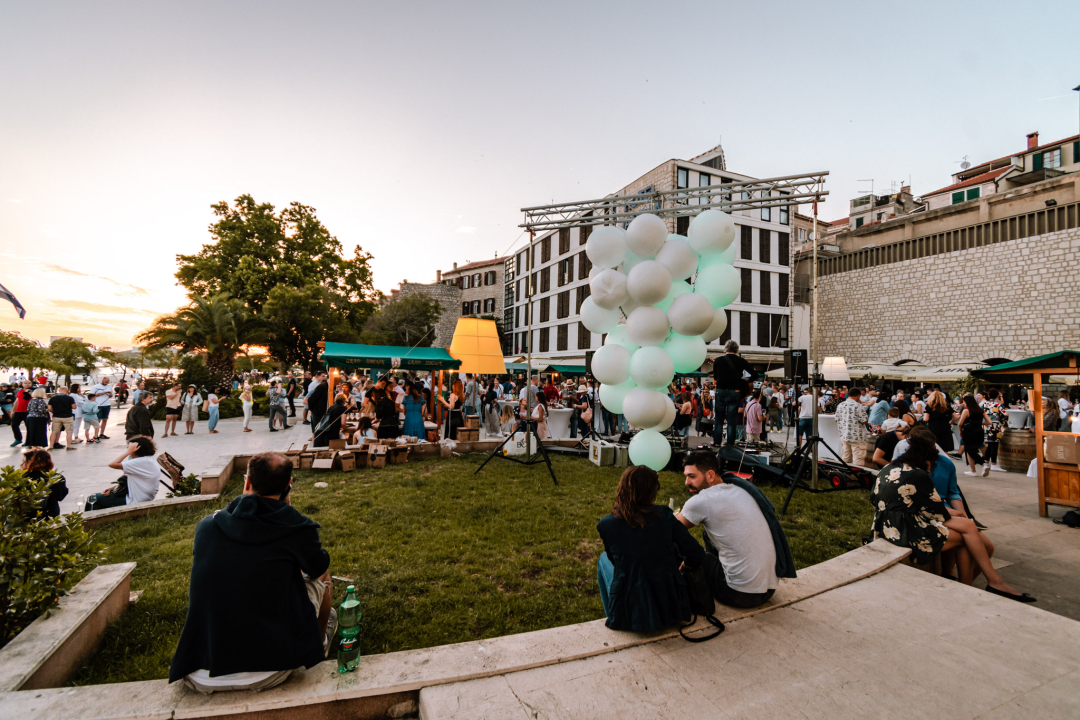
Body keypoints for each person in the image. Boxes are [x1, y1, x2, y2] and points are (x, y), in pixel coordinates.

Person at [169, 452, 333, 693]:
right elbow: (317, 567)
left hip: (200, 672)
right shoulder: (297, 528)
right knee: (322, 575)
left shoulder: (207, 526)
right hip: (270, 669)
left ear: (247, 482)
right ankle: (320, 643)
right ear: (288, 485)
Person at [871, 430, 1034, 602]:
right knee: (967, 534)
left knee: (968, 528)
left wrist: (955, 513)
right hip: (906, 529)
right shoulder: (917, 475)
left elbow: (876, 498)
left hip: (887, 524)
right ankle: (980, 584)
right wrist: (955, 513)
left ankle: (985, 583)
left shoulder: (891, 467)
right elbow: (934, 511)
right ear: (927, 458)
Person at [677, 451, 794, 608]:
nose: (686, 482)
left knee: (685, 551)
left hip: (739, 594)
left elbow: (669, 527)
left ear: (710, 475)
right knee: (708, 533)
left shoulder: (702, 501)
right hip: (768, 590)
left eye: (691, 476)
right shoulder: (740, 490)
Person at [596, 465, 705, 631]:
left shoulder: (606, 524)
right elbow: (696, 553)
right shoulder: (665, 515)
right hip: (670, 604)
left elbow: (616, 562)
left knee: (603, 559)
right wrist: (684, 566)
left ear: (622, 488)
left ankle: (613, 612)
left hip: (631, 606)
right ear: (651, 491)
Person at [90, 435, 161, 509]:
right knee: (97, 500)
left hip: (135, 501)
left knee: (93, 499)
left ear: (137, 449)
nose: (127, 449)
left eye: (129, 448)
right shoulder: (149, 459)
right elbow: (132, 481)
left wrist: (128, 452)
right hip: (142, 497)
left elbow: (112, 464)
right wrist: (112, 489)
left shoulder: (141, 462)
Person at [712, 340, 755, 446]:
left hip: (721, 390)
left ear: (725, 348)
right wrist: (744, 380)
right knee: (732, 419)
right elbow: (754, 374)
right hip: (735, 391)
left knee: (719, 418)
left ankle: (717, 442)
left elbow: (716, 377)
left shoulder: (718, 360)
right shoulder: (741, 361)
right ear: (737, 349)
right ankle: (730, 443)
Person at [21, 448, 69, 518]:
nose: (21, 464)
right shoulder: (57, 477)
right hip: (49, 515)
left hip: (25, 515)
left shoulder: (22, 477)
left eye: (23, 462)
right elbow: (60, 497)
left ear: (31, 463)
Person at [835, 386, 869, 466]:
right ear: (858, 395)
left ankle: (844, 473)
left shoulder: (840, 405)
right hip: (857, 437)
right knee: (858, 460)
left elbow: (836, 419)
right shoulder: (858, 406)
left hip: (844, 436)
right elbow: (864, 420)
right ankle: (857, 474)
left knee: (846, 459)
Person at [957, 394, 990, 477]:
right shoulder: (981, 411)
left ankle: (983, 464)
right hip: (979, 432)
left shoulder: (966, 411)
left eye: (964, 402)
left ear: (967, 402)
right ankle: (973, 470)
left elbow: (960, 423)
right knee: (972, 450)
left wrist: (960, 431)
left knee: (970, 451)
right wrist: (979, 423)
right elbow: (990, 422)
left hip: (969, 432)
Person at [980, 388, 1007, 472]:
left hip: (986, 425)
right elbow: (1005, 415)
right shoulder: (998, 405)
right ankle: (994, 463)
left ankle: (986, 462)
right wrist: (1003, 423)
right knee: (994, 444)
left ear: (988, 395)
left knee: (988, 444)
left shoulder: (984, 404)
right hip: (995, 426)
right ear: (997, 396)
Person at [47, 385, 77, 450]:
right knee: (69, 432)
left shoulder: (53, 398)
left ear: (59, 391)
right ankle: (68, 446)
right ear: (67, 391)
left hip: (56, 416)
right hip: (67, 417)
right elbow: (74, 407)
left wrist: (53, 411)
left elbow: (49, 408)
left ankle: (51, 446)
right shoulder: (70, 398)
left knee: (54, 432)